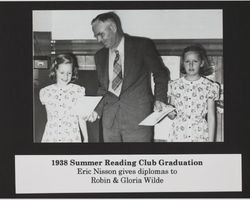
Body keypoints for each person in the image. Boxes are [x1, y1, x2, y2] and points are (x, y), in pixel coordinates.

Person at [88, 11, 170, 142]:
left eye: (101, 34)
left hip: (138, 118)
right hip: (110, 121)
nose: (98, 40)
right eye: (96, 36)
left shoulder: (142, 46)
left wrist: (160, 99)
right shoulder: (99, 56)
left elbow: (161, 73)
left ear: (113, 28)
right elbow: (103, 88)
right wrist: (97, 110)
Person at [167, 44, 220, 142]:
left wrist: (211, 142)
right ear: (183, 63)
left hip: (200, 135)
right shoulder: (174, 85)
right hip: (178, 135)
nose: (191, 65)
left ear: (202, 63)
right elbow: (171, 114)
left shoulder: (210, 86)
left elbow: (211, 117)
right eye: (187, 61)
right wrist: (169, 112)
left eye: (195, 61)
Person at [39, 54, 88, 143]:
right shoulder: (46, 92)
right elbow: (49, 117)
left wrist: (86, 138)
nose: (65, 77)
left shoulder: (77, 91)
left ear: (73, 72)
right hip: (52, 135)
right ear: (55, 70)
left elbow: (81, 117)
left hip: (72, 136)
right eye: (62, 73)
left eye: (69, 73)